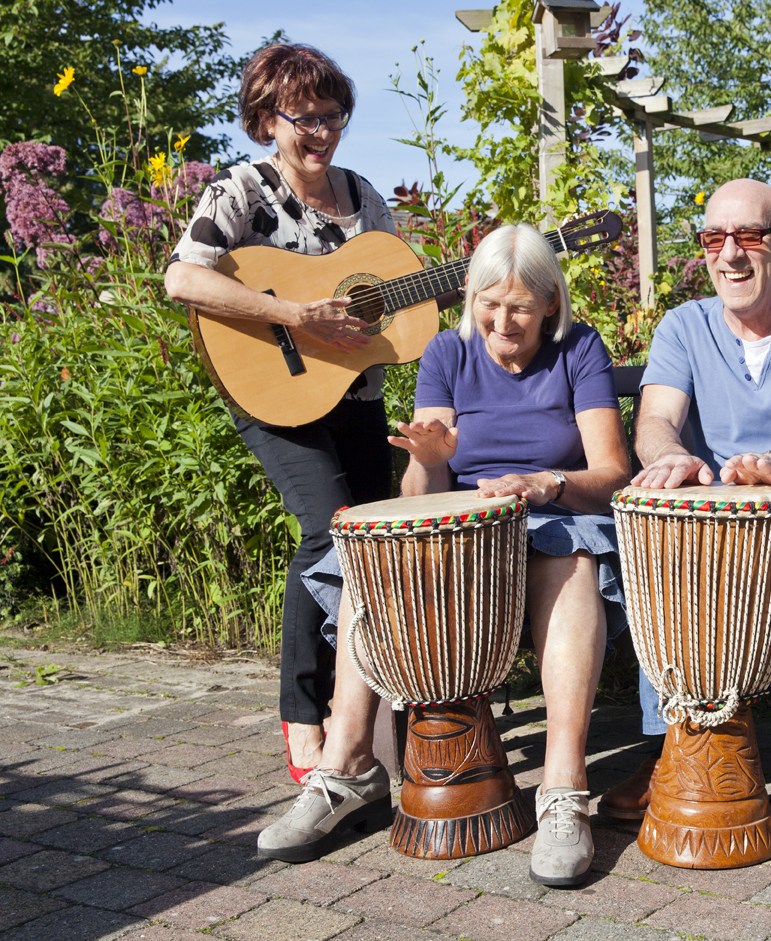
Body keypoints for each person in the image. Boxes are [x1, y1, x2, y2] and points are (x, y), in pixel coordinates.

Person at [255, 223, 633, 887]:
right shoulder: (446, 353)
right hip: (462, 529)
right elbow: (417, 496)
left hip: (550, 517)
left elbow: (611, 472)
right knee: (373, 562)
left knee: (573, 564)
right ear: (469, 297)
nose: (502, 320)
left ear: (551, 302)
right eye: (489, 302)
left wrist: (553, 483)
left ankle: (563, 789)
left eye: (519, 305)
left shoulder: (578, 349)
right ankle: (345, 770)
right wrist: (431, 461)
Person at [598, 178, 771, 833]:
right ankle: (669, 749)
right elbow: (656, 422)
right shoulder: (684, 325)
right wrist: (667, 455)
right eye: (713, 238)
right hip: (718, 524)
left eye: (750, 236)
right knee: (662, 557)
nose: (730, 254)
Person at [165, 44, 404, 783]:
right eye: (304, 118)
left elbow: (394, 286)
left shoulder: (363, 195)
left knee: (372, 543)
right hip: (272, 390)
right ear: (268, 119)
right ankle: (303, 717)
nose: (321, 132)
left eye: (332, 116)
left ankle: (360, 705)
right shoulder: (242, 191)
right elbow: (182, 277)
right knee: (324, 530)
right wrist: (295, 314)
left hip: (355, 394)